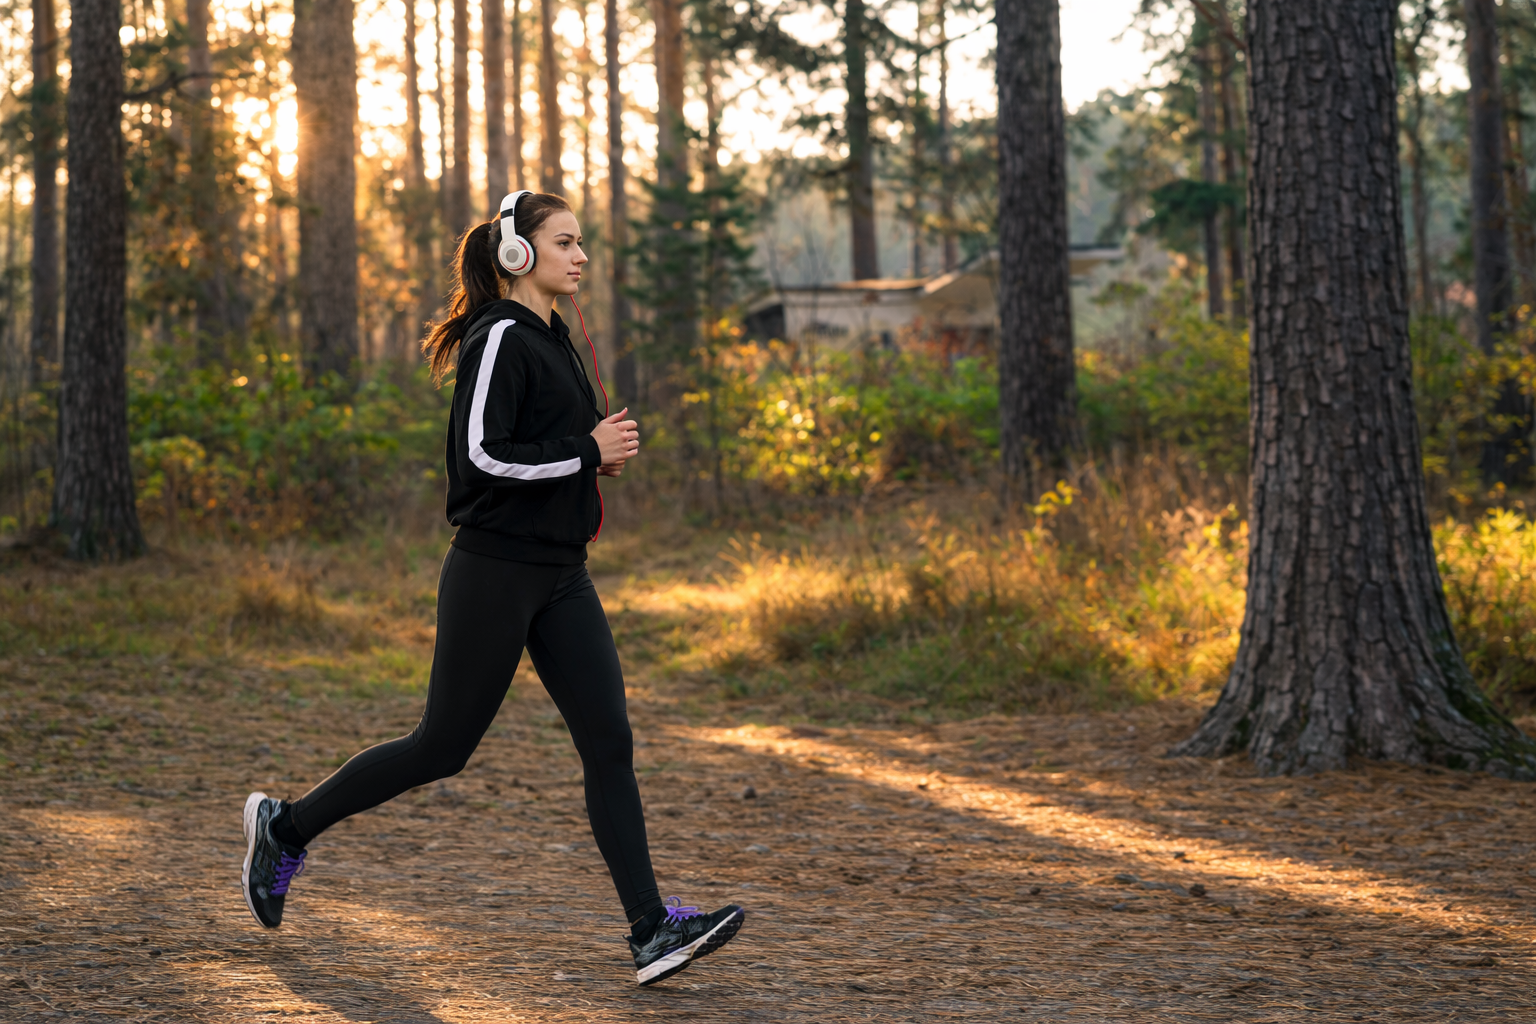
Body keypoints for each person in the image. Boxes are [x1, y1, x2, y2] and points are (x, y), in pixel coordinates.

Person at [239, 191, 745, 987]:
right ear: (518, 253)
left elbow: (540, 447)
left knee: (609, 741)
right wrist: (584, 448)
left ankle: (651, 928)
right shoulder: (500, 335)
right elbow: (482, 459)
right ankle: (287, 826)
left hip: (562, 573)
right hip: (494, 569)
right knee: (442, 746)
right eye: (567, 242)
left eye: (583, 243)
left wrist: (590, 456)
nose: (581, 257)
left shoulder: (554, 336)